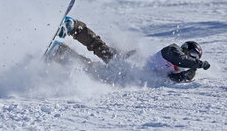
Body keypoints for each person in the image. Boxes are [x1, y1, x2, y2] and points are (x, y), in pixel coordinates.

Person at [47, 17, 211, 83]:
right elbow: (180, 60)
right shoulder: (173, 50)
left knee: (91, 69)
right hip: (127, 62)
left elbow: (182, 76)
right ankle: (73, 26)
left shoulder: (180, 69)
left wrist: (190, 73)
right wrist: (200, 63)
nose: (194, 58)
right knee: (99, 48)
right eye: (194, 54)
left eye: (197, 56)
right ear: (186, 50)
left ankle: (60, 51)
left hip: (126, 74)